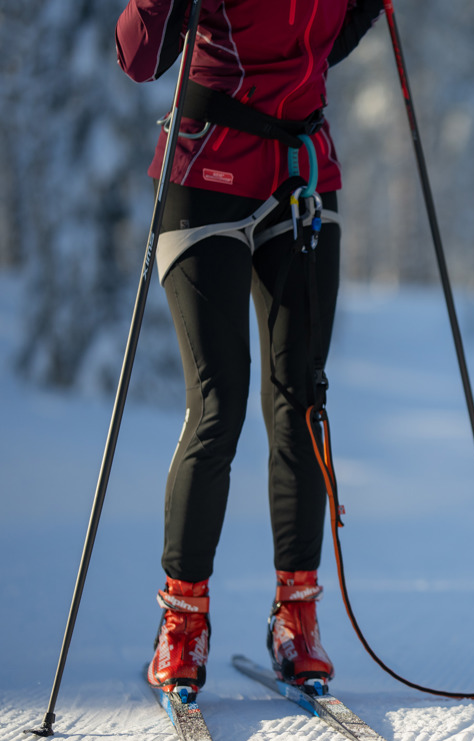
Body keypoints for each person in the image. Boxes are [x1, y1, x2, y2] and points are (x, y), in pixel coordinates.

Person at [114, 0, 384, 695]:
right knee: (219, 404)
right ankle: (183, 623)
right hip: (205, 174)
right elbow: (140, 58)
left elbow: (321, 49)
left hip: (301, 173)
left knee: (300, 405)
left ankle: (297, 618)